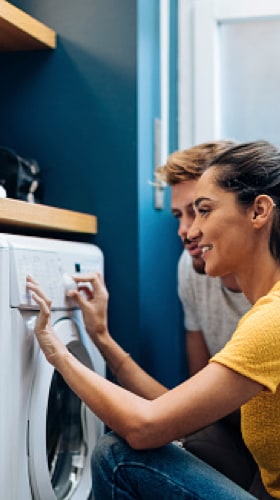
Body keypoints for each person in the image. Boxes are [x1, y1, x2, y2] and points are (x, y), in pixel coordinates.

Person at [26, 139, 280, 499]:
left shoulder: (271, 320)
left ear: (258, 212)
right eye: (186, 214)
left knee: (119, 456)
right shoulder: (248, 302)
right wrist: (99, 336)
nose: (191, 231)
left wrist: (58, 354)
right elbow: (184, 410)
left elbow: (146, 426)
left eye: (203, 211)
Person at [158, 142, 255, 488]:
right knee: (187, 444)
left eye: (200, 211)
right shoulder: (190, 269)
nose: (186, 230)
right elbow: (196, 396)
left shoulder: (268, 304)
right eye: (179, 216)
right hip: (230, 426)